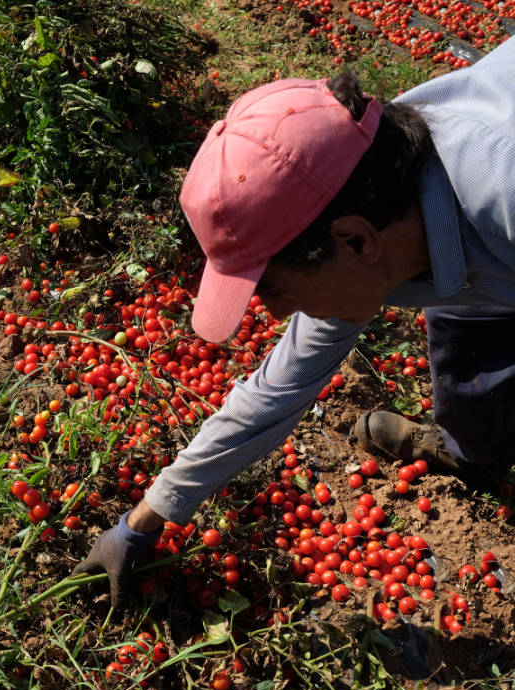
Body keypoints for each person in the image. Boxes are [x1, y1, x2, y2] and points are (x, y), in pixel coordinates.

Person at [73, 36, 515, 605]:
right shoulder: (379, 200)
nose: (276, 313)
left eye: (276, 290)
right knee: (475, 370)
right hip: (483, 258)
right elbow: (275, 391)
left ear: (354, 241)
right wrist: (142, 521)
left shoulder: (499, 188)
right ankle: (475, 450)